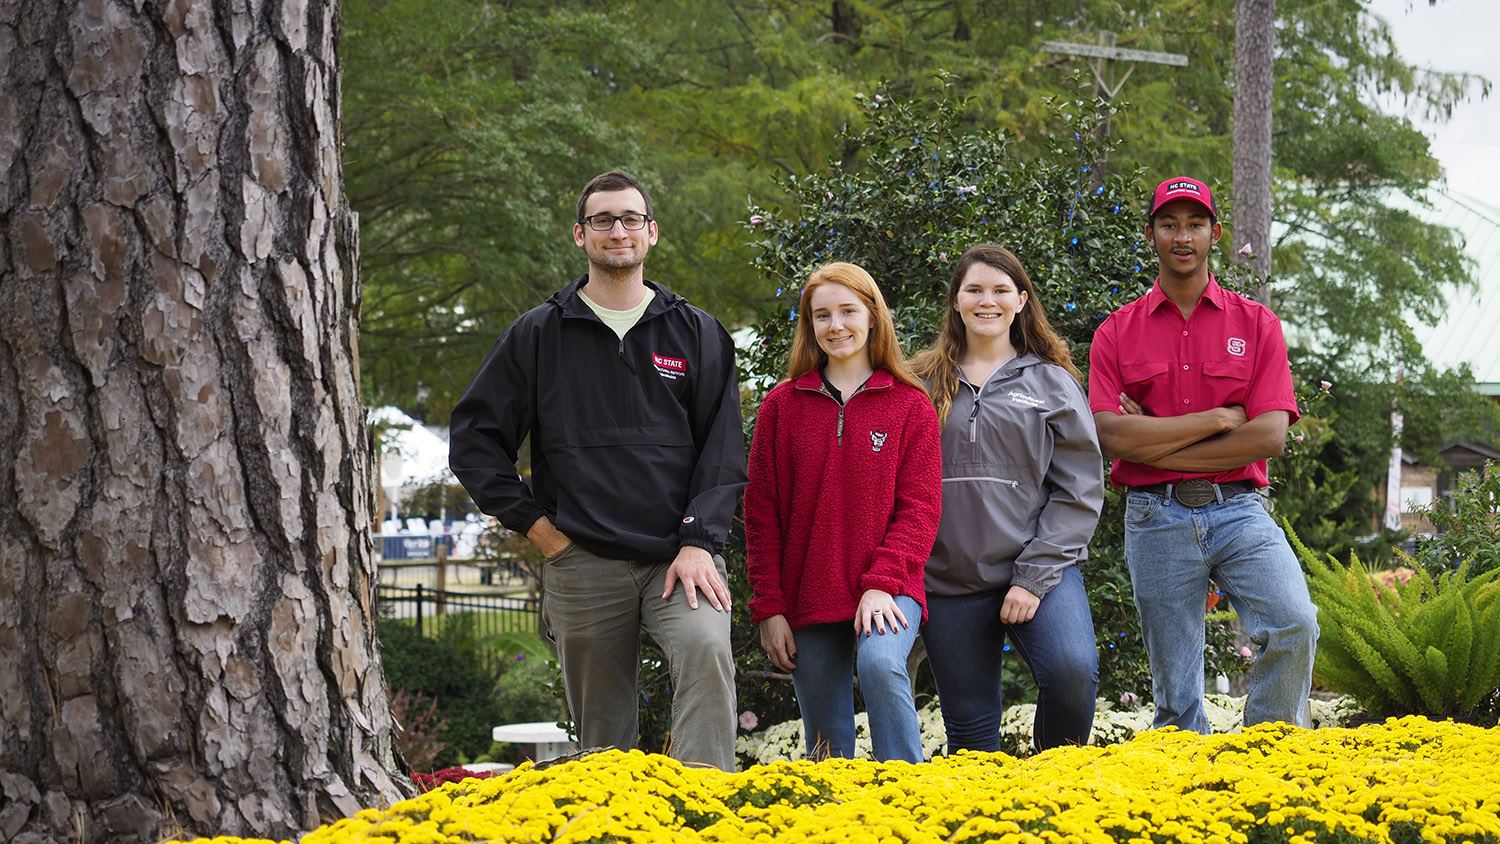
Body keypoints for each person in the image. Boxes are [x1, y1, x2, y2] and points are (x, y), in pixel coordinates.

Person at [448, 170, 748, 770]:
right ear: (580, 235)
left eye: (630, 218)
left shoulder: (696, 331)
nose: (618, 230)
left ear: (652, 233)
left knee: (706, 652)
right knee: (604, 746)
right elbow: (475, 440)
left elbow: (721, 452)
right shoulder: (538, 334)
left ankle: (704, 816)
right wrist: (538, 530)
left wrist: (697, 542)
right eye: (603, 220)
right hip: (581, 560)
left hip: (678, 559)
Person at [1087, 176, 1319, 733]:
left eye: (1194, 224)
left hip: (1240, 510)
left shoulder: (1257, 325)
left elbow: (1268, 437)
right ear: (1151, 235)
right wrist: (1217, 421)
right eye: (1169, 224)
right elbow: (1109, 437)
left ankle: (1264, 749)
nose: (1182, 236)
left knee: (1294, 623)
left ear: (1215, 233)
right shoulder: (1116, 333)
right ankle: (1191, 804)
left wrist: (1157, 440)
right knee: (1177, 696)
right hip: (1154, 515)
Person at [744, 262, 942, 763]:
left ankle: (908, 798)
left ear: (873, 316)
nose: (836, 326)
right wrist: (769, 607)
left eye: (848, 311)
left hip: (890, 589)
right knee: (827, 750)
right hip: (808, 593)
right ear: (809, 325)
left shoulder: (910, 406)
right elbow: (761, 514)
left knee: (879, 665)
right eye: (822, 315)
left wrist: (880, 582)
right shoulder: (781, 408)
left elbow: (920, 510)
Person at [912, 244, 1104, 753]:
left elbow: (1079, 490)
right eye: (974, 289)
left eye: (1000, 291)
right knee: (972, 738)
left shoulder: (1053, 382)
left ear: (1021, 301)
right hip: (947, 578)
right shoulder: (919, 383)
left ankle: (1053, 792)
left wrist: (1033, 577)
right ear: (955, 301)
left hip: (1037, 572)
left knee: (1072, 672)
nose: (986, 301)